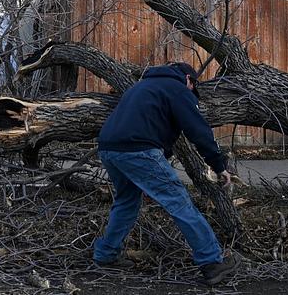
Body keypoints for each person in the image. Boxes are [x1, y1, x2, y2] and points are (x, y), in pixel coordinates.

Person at [92, 61, 240, 286]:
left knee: (126, 202)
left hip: (109, 149)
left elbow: (149, 125)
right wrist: (219, 166)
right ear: (189, 80)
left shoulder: (141, 87)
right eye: (194, 88)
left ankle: (106, 254)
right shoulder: (179, 89)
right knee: (179, 202)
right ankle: (212, 262)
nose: (193, 93)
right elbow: (198, 131)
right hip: (139, 150)